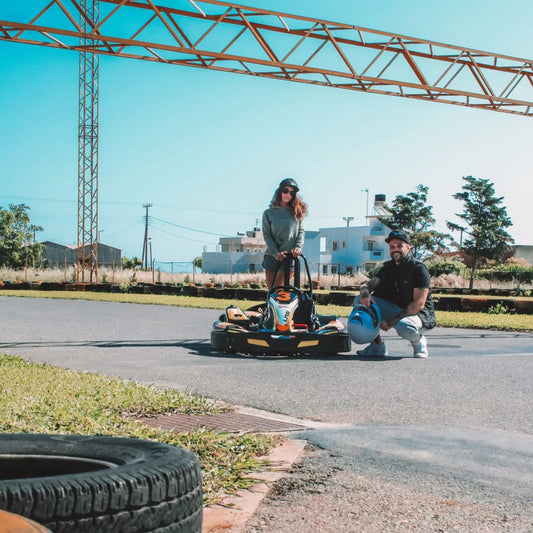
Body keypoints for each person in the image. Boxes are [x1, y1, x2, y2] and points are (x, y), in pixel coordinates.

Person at [354, 229, 436, 358]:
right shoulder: (387, 268)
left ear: (408, 248)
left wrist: (392, 322)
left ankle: (419, 340)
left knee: (404, 326)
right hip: (395, 308)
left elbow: (418, 304)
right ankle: (377, 346)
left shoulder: (418, 268)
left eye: (399, 246)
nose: (395, 249)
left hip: (419, 315)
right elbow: (367, 286)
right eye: (392, 246)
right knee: (360, 300)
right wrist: (365, 293)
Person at [262, 178, 307, 289]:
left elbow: (301, 232)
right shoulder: (268, 213)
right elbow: (267, 236)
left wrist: (298, 247)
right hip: (273, 257)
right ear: (280, 191)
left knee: (278, 289)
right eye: (286, 191)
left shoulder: (297, 213)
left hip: (290, 257)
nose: (288, 194)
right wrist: (276, 253)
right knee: (272, 293)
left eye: (292, 193)